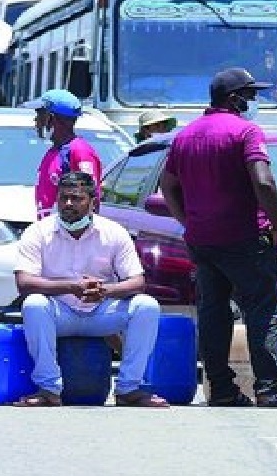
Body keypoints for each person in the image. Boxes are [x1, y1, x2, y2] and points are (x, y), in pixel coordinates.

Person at [160, 68, 277, 408]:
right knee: (263, 310)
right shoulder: (246, 132)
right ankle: (270, 388)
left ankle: (222, 388)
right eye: (251, 95)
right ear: (234, 98)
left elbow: (168, 186)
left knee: (213, 312)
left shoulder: (184, 136)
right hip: (245, 236)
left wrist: (188, 221)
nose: (254, 102)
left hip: (203, 240)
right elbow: (264, 181)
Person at [13, 171, 167, 408]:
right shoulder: (38, 232)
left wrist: (105, 291)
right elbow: (24, 282)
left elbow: (137, 282)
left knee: (146, 306)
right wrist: (70, 287)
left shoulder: (114, 232)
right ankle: (49, 389)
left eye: (76, 199)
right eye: (63, 198)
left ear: (93, 202)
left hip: (100, 312)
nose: (68, 204)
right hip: (59, 313)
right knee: (34, 304)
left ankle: (129, 388)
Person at [23, 89, 102, 219]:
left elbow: (89, 198)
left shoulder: (80, 152)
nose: (36, 120)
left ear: (51, 118)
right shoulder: (53, 152)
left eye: (40, 115)